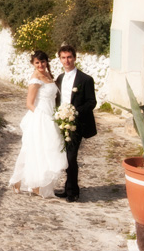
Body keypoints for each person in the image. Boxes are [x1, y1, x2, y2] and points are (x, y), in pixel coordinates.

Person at [9, 50, 68, 198]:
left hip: (51, 115)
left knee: (44, 150)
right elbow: (29, 104)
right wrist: (43, 118)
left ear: (46, 62)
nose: (40, 65)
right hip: (41, 117)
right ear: (33, 64)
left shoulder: (48, 75)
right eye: (37, 62)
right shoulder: (35, 78)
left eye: (42, 62)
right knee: (38, 150)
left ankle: (28, 182)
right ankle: (34, 184)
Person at [54, 44, 97, 202]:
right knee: (65, 157)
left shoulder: (85, 79)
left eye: (69, 57)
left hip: (76, 123)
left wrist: (75, 112)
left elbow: (92, 102)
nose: (67, 61)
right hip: (61, 123)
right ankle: (68, 188)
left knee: (71, 157)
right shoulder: (60, 78)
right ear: (60, 59)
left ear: (75, 58)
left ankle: (73, 191)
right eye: (63, 58)